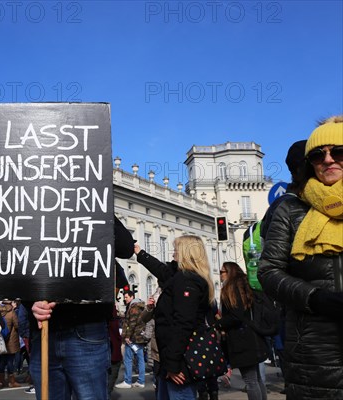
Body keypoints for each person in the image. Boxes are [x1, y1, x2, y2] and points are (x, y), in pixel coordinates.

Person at [258, 116, 343, 398]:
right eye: (319, 155)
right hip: (314, 352)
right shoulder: (291, 210)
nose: (329, 160)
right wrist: (314, 298)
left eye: (338, 152)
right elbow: (269, 272)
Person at [30, 216, 135, 400]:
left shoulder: (91, 200)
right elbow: (16, 261)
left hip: (87, 328)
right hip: (45, 329)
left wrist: (99, 201)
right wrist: (29, 302)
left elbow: (126, 247)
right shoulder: (31, 201)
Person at [134, 235, 214, 400]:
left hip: (179, 361)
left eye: (176, 250)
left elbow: (183, 325)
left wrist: (173, 365)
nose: (173, 254)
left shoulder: (188, 281)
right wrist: (139, 253)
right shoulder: (181, 277)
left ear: (186, 253)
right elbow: (161, 269)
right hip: (171, 358)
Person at [216, 262, 268, 400]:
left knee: (251, 381)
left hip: (241, 340)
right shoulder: (244, 286)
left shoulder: (231, 288)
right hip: (253, 336)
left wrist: (218, 324)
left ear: (229, 272)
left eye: (222, 272)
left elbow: (236, 315)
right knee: (256, 379)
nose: (220, 275)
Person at [115, 290, 148, 389]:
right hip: (139, 336)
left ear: (132, 296)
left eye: (126, 297)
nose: (125, 299)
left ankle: (127, 381)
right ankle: (141, 381)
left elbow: (131, 323)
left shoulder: (133, 307)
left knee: (128, 359)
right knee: (140, 359)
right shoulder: (140, 306)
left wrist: (127, 336)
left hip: (133, 337)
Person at [0, 299, 21, 388]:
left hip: (1, 339)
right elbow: (17, 325)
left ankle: (1, 381)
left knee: (2, 361)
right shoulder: (12, 312)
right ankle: (11, 381)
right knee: (10, 361)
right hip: (11, 339)